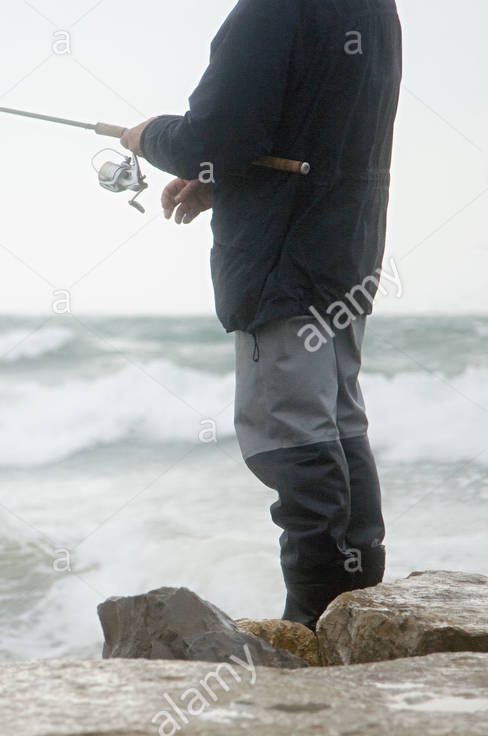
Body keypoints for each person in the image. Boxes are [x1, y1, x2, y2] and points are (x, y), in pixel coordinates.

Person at [120, 0, 403, 630]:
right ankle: (357, 611)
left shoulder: (272, 9)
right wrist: (221, 183)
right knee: (337, 420)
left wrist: (146, 135)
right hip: (346, 248)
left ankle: (312, 622)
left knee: (292, 434)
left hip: (284, 259)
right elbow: (314, 125)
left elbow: (214, 136)